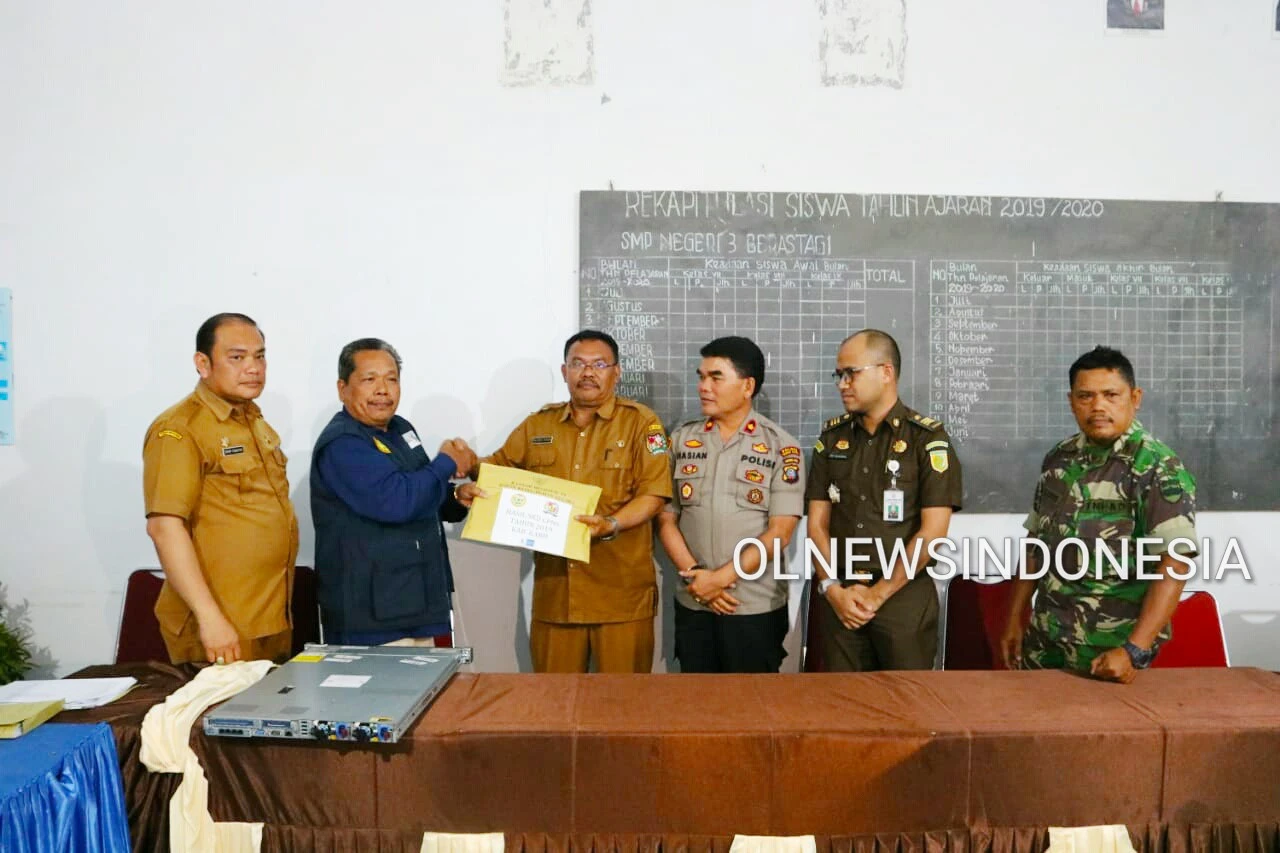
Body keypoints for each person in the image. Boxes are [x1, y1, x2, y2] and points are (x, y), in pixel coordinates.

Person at [999, 346, 1198, 683]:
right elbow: (1036, 545)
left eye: (1111, 395)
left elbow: (1175, 563)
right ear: (1071, 401)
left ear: (1135, 398)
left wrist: (1134, 650)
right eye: (1086, 396)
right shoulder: (1059, 459)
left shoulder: (1156, 466)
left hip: (1111, 652)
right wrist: (1014, 617)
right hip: (1045, 645)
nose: (1098, 407)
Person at [479, 330, 671, 673]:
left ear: (617, 371)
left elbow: (654, 494)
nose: (588, 373)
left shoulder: (642, 423)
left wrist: (611, 524)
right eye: (578, 364)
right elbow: (495, 471)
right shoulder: (539, 424)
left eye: (599, 364)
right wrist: (466, 482)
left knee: (625, 708)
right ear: (565, 371)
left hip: (620, 597)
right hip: (557, 597)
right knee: (554, 707)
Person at [143, 313, 298, 665]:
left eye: (260, 356)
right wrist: (209, 618)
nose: (253, 368)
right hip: (219, 627)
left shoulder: (253, 421)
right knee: (218, 720)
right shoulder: (180, 429)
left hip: (267, 619)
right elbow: (164, 528)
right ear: (203, 363)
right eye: (237, 357)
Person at [805, 329, 962, 671]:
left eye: (851, 373)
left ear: (886, 372)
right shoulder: (831, 439)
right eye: (839, 375)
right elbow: (817, 524)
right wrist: (832, 588)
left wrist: (877, 594)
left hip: (902, 599)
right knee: (841, 710)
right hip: (841, 598)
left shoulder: (927, 440)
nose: (842, 384)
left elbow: (932, 532)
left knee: (907, 709)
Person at [310, 338, 479, 646]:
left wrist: (455, 497)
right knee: (382, 694)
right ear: (343, 388)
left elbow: (421, 491)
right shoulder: (343, 444)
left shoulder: (401, 429)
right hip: (371, 616)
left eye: (391, 379)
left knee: (430, 692)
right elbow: (396, 501)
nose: (383, 390)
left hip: (417, 602)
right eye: (369, 379)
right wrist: (446, 463)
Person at [657, 336, 804, 673]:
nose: (703, 387)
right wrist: (698, 578)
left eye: (715, 377)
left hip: (752, 605)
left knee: (754, 711)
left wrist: (720, 579)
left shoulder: (783, 448)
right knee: (698, 709)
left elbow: (780, 532)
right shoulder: (680, 440)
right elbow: (666, 519)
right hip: (693, 601)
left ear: (747, 385)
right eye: (701, 376)